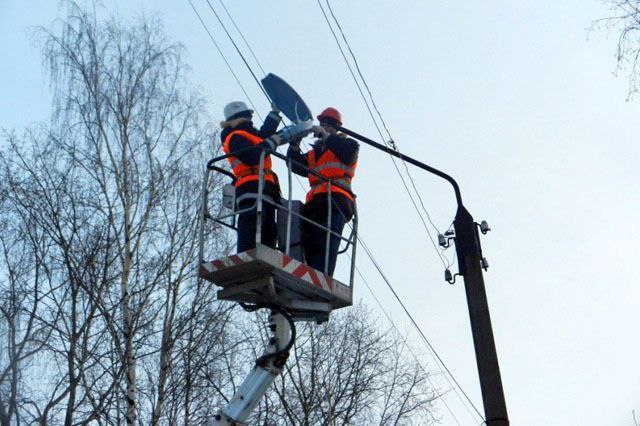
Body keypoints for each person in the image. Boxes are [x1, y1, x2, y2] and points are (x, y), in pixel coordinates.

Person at [286, 107, 359, 276]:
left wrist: (327, 137)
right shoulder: (315, 153)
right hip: (316, 203)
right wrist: (294, 146)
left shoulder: (348, 145)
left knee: (326, 244)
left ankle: (323, 276)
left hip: (336, 201)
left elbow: (348, 154)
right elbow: (295, 165)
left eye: (326, 125)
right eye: (321, 125)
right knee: (311, 244)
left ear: (335, 128)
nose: (322, 128)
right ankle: (312, 274)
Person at [220, 101, 282, 252]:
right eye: (247, 117)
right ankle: (247, 254)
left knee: (268, 228)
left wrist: (274, 115)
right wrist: (271, 143)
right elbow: (253, 155)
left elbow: (264, 135)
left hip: (265, 188)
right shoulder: (235, 137)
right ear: (239, 119)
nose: (250, 120)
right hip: (250, 188)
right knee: (251, 225)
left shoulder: (250, 136)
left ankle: (266, 254)